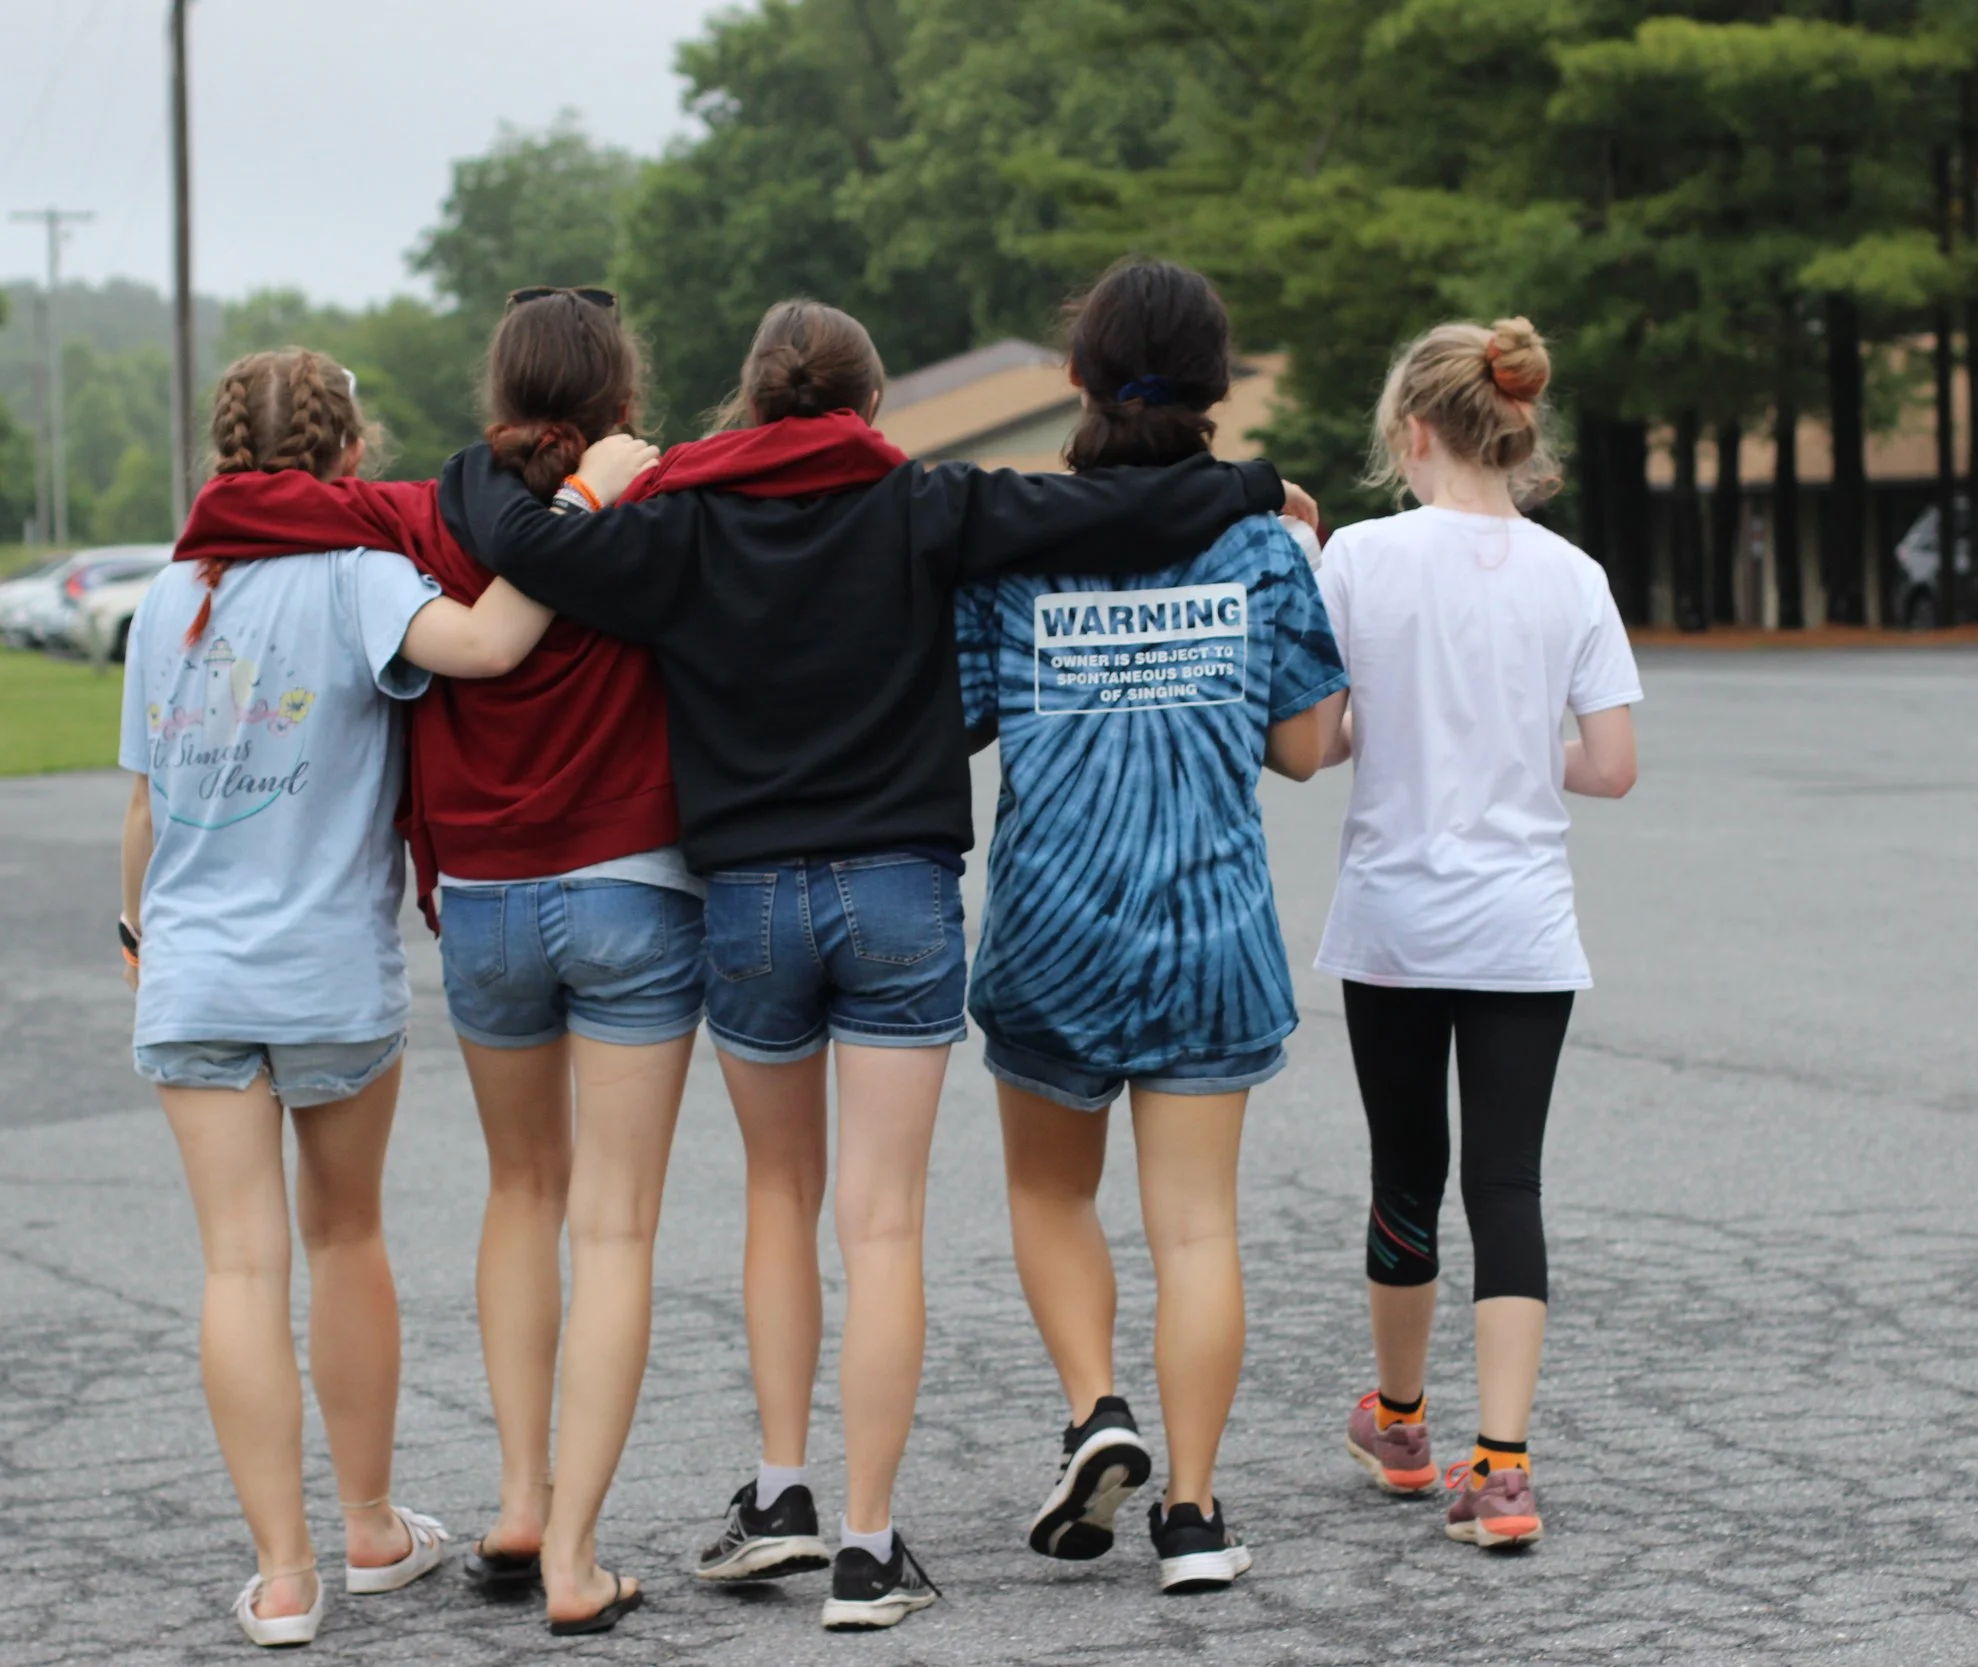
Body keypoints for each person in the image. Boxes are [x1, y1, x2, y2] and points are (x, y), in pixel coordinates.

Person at [435, 297, 1318, 1631]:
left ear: (750, 396)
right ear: (871, 401)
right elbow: (1118, 513)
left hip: (747, 897)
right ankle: (865, 1545)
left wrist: (479, 468)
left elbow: (532, 552)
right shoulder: (929, 505)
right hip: (901, 888)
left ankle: (781, 1487)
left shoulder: (681, 519)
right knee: (884, 1221)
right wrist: (1251, 483)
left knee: (778, 1196)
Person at [163, 289, 681, 1637]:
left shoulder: (383, 530)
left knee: (476, 1200)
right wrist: (599, 494)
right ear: (623, 399)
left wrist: (129, 928)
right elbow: (506, 634)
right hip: (591, 889)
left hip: (412, 915)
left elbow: (146, 786)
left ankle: (411, 1534)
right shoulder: (638, 499)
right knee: (575, 1223)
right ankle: (519, 1543)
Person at [953, 259, 1348, 1595]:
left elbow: (958, 714)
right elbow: (1304, 747)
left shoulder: (1013, 543)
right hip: (1207, 927)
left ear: (1076, 377)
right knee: (1195, 1226)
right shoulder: (1263, 545)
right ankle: (1190, 1512)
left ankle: (1094, 1409)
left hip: (1053, 924)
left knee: (1050, 1190)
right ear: (1218, 388)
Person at [1317, 317, 1641, 1552]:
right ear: (1514, 425)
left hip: (1394, 921)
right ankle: (1502, 1467)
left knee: (1404, 1171)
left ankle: (1401, 1422)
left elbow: (1321, 740)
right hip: (1521, 925)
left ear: (1412, 431)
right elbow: (1610, 765)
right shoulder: (1574, 575)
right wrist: (1514, 748)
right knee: (1507, 1181)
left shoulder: (1359, 558)